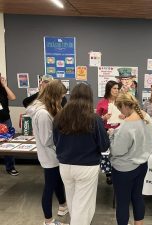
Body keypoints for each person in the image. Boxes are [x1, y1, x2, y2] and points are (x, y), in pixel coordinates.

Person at [53, 83, 110, 225]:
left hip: (65, 165)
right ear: (90, 98)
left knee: (73, 202)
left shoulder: (59, 117)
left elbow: (55, 141)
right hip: (86, 166)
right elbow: (104, 146)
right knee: (83, 205)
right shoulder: (94, 118)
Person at [26, 80, 68, 225]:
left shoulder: (46, 108)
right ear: (54, 95)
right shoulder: (43, 113)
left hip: (53, 155)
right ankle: (48, 221)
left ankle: (63, 206)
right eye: (61, 97)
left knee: (57, 182)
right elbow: (47, 140)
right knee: (49, 187)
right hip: (50, 156)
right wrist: (63, 135)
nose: (62, 99)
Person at [110, 93, 152, 225]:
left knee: (122, 202)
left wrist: (112, 136)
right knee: (137, 196)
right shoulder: (146, 117)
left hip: (124, 169)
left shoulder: (127, 125)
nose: (120, 112)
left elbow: (117, 151)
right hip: (142, 165)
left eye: (119, 108)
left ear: (124, 105)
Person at [96, 80, 123, 185]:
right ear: (109, 89)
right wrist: (104, 118)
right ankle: (108, 174)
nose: (116, 90)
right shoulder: (102, 102)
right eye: (114, 88)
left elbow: (128, 115)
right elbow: (96, 119)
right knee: (106, 153)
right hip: (106, 131)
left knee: (117, 152)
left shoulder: (121, 101)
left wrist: (124, 117)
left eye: (117, 89)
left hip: (119, 130)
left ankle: (117, 170)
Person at [0, 74, 18, 176]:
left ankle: (10, 167)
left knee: (9, 143)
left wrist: (5, 85)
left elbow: (13, 97)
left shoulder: (3, 89)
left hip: (6, 120)